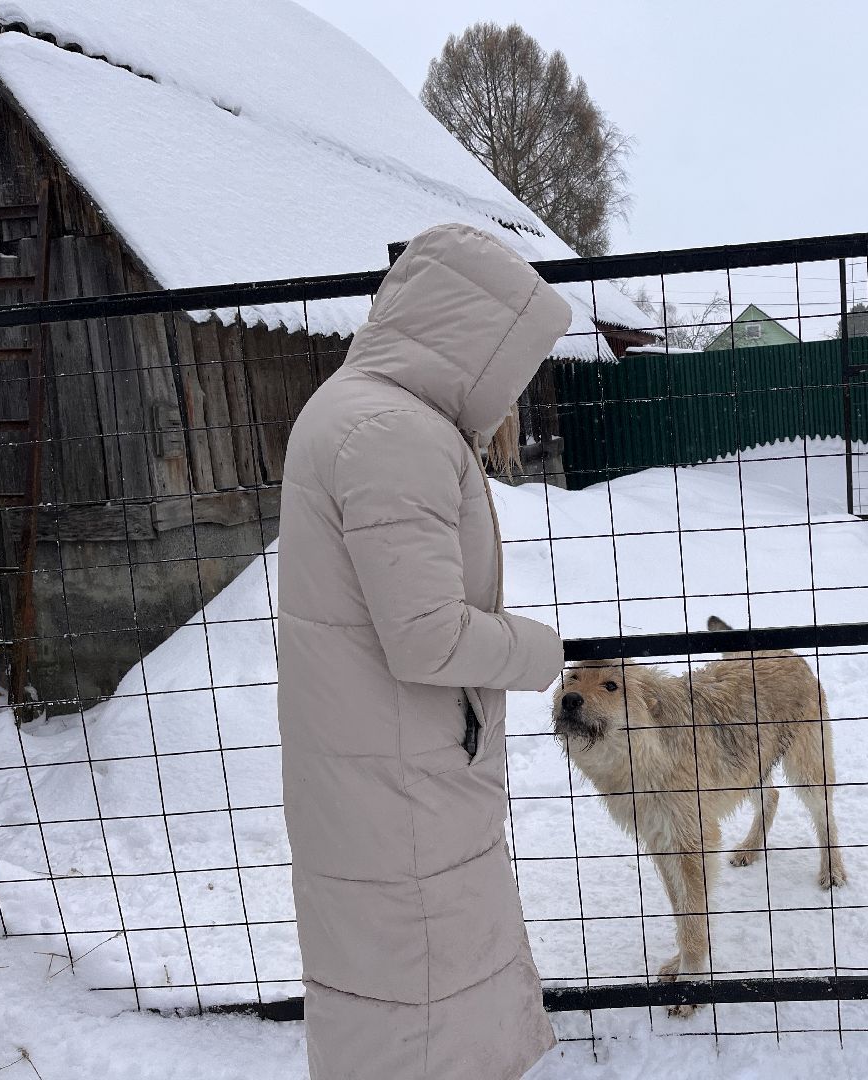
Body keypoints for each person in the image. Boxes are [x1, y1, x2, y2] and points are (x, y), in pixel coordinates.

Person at [276, 223, 571, 1079]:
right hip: (402, 783)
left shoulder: (355, 408)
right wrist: (538, 652)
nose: (514, 383)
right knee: (427, 1000)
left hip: (382, 765)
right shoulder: (391, 434)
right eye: (514, 355)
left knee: (398, 993)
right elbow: (427, 636)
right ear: (473, 335)